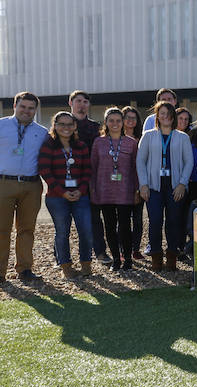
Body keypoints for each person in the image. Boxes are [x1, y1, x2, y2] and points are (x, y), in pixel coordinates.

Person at [136, 101, 193, 271]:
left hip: (175, 187)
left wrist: (183, 183)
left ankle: (172, 258)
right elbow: (140, 161)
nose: (165, 116)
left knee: (174, 222)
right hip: (153, 187)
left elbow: (188, 161)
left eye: (169, 113)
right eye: (162, 113)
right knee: (154, 221)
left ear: (173, 116)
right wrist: (143, 184)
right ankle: (156, 257)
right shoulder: (148, 135)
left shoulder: (182, 137)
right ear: (157, 116)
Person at [38, 112, 93, 279]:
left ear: (75, 126)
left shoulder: (81, 146)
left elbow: (87, 171)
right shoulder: (48, 145)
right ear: (54, 125)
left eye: (70, 124)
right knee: (62, 232)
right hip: (56, 197)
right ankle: (66, 267)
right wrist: (62, 192)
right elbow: (44, 170)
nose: (66, 128)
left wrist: (80, 190)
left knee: (86, 231)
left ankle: (86, 265)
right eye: (62, 124)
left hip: (80, 196)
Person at [0, 92, 48, 282]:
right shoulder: (1, 125)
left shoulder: (42, 132)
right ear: (14, 106)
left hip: (31, 185)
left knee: (27, 229)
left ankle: (25, 269)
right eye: (23, 107)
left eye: (31, 108)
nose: (26, 111)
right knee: (1, 230)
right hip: (4, 183)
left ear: (35, 110)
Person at [91, 108, 139, 272]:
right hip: (105, 191)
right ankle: (116, 260)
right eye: (111, 120)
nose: (115, 124)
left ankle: (128, 260)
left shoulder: (131, 143)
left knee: (124, 227)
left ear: (123, 122)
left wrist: (137, 190)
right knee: (109, 227)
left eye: (118, 120)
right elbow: (94, 167)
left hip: (125, 191)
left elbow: (135, 168)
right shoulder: (99, 142)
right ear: (106, 122)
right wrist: (93, 190)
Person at [69, 90, 110, 265]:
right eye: (78, 101)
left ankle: (100, 252)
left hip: (90, 180)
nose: (82, 104)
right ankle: (61, 257)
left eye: (85, 101)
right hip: (66, 179)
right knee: (63, 222)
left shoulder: (95, 127)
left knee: (94, 219)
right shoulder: (63, 124)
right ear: (71, 103)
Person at [122, 106, 146, 260]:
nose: (131, 120)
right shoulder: (115, 137)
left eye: (134, 118)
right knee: (123, 219)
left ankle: (135, 249)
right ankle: (124, 250)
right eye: (127, 117)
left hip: (139, 183)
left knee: (137, 219)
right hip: (121, 185)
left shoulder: (142, 138)